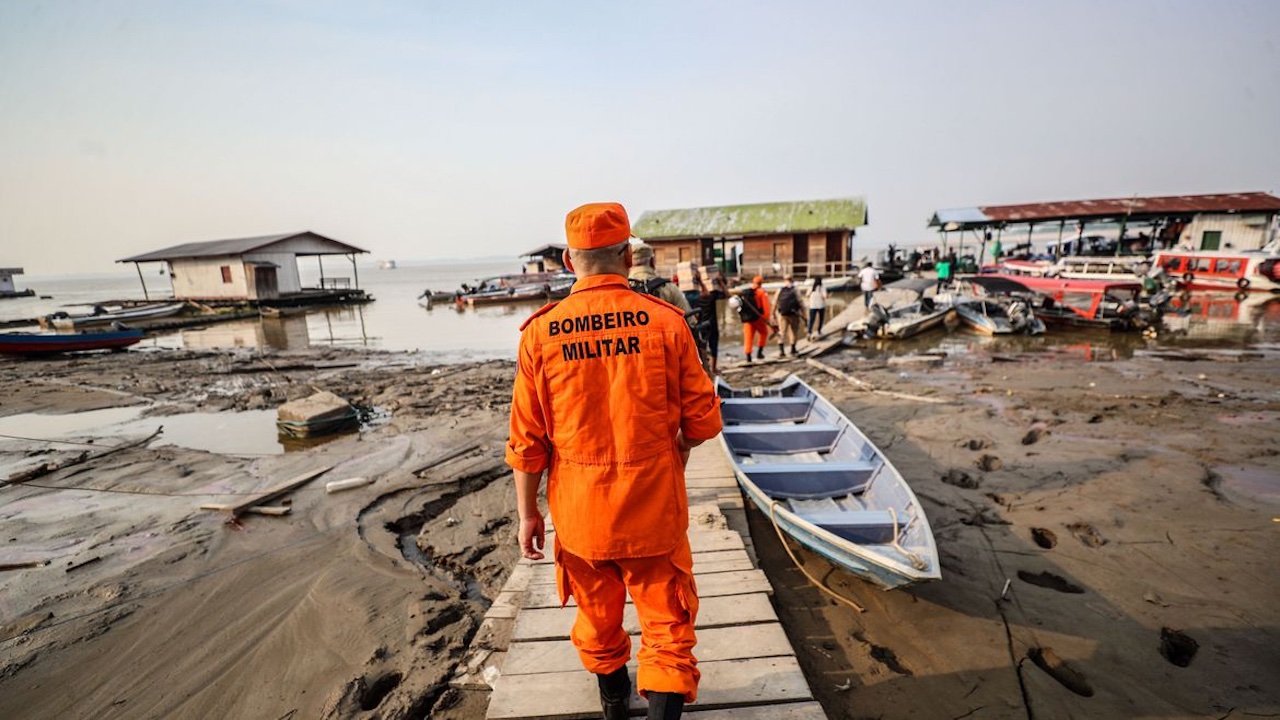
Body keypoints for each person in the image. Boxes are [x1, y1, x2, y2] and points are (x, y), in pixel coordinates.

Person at [507, 202, 722, 720]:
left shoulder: (540, 333)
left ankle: (613, 707)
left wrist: (528, 514)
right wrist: (674, 459)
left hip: (581, 513)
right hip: (653, 507)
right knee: (667, 625)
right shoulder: (666, 323)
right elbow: (701, 419)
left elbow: (527, 439)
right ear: (627, 256)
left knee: (598, 620)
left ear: (567, 259)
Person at [629, 241, 693, 316]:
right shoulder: (668, 287)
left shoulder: (623, 287)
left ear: (629, 262)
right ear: (652, 261)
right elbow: (690, 320)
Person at [693, 270, 726, 375]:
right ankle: (711, 369)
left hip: (703, 325)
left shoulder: (696, 298)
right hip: (709, 325)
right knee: (710, 346)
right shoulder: (709, 296)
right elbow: (727, 293)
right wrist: (720, 282)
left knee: (704, 346)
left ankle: (708, 369)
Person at [739, 275, 771, 362]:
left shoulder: (746, 292)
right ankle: (759, 353)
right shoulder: (762, 293)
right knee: (764, 333)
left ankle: (748, 356)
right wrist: (766, 318)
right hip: (758, 318)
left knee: (748, 337)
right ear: (761, 283)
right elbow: (766, 308)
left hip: (747, 319)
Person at [771, 274, 803, 356]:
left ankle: (781, 351)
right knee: (793, 331)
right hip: (794, 314)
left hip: (782, 314)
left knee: (782, 332)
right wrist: (804, 315)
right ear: (792, 280)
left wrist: (772, 314)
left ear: (784, 280)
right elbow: (801, 303)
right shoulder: (795, 290)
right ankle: (793, 350)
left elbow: (774, 302)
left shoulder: (780, 290)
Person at [806, 276, 828, 340]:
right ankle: (819, 331)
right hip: (821, 305)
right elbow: (825, 297)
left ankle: (809, 332)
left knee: (811, 320)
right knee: (821, 319)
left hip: (812, 305)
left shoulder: (811, 287)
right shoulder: (822, 288)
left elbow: (807, 295)